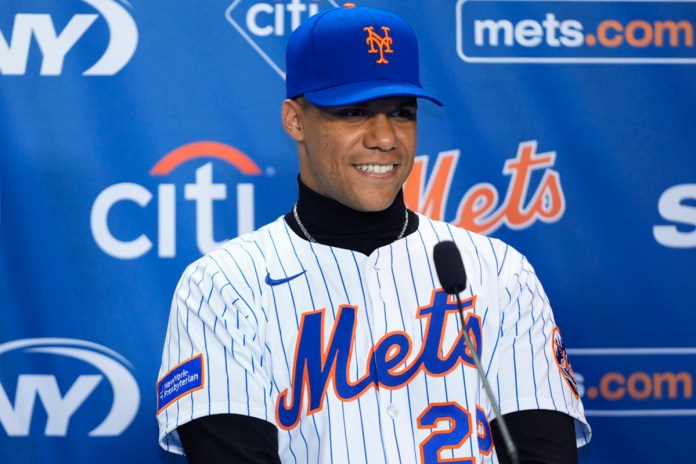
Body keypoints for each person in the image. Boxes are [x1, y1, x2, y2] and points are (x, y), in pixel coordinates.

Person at [156, 4, 591, 463]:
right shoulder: (224, 285)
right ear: (295, 120)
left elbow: (545, 453)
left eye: (401, 112)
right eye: (354, 112)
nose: (384, 137)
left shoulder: (498, 270)